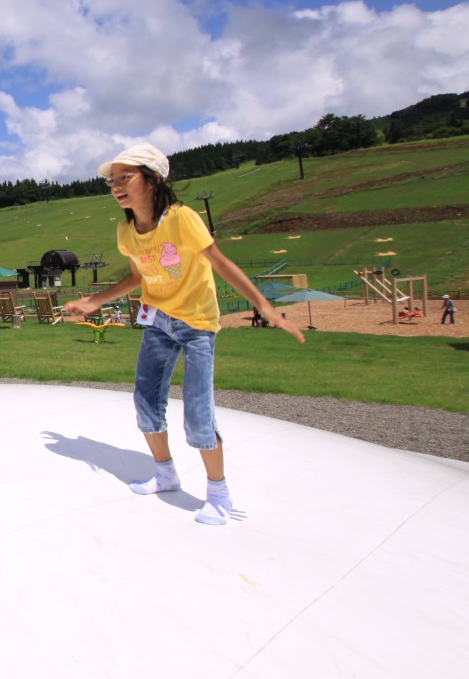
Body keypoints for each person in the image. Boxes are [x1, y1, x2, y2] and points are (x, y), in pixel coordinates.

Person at [64, 144, 306, 526]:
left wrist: (265, 306)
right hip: (158, 321)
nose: (116, 186)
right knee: (146, 403)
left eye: (125, 177)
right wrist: (95, 301)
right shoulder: (126, 230)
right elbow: (137, 276)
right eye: (113, 180)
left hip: (196, 325)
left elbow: (221, 263)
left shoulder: (182, 219)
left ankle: (219, 494)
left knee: (197, 413)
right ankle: (165, 474)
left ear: (153, 178)